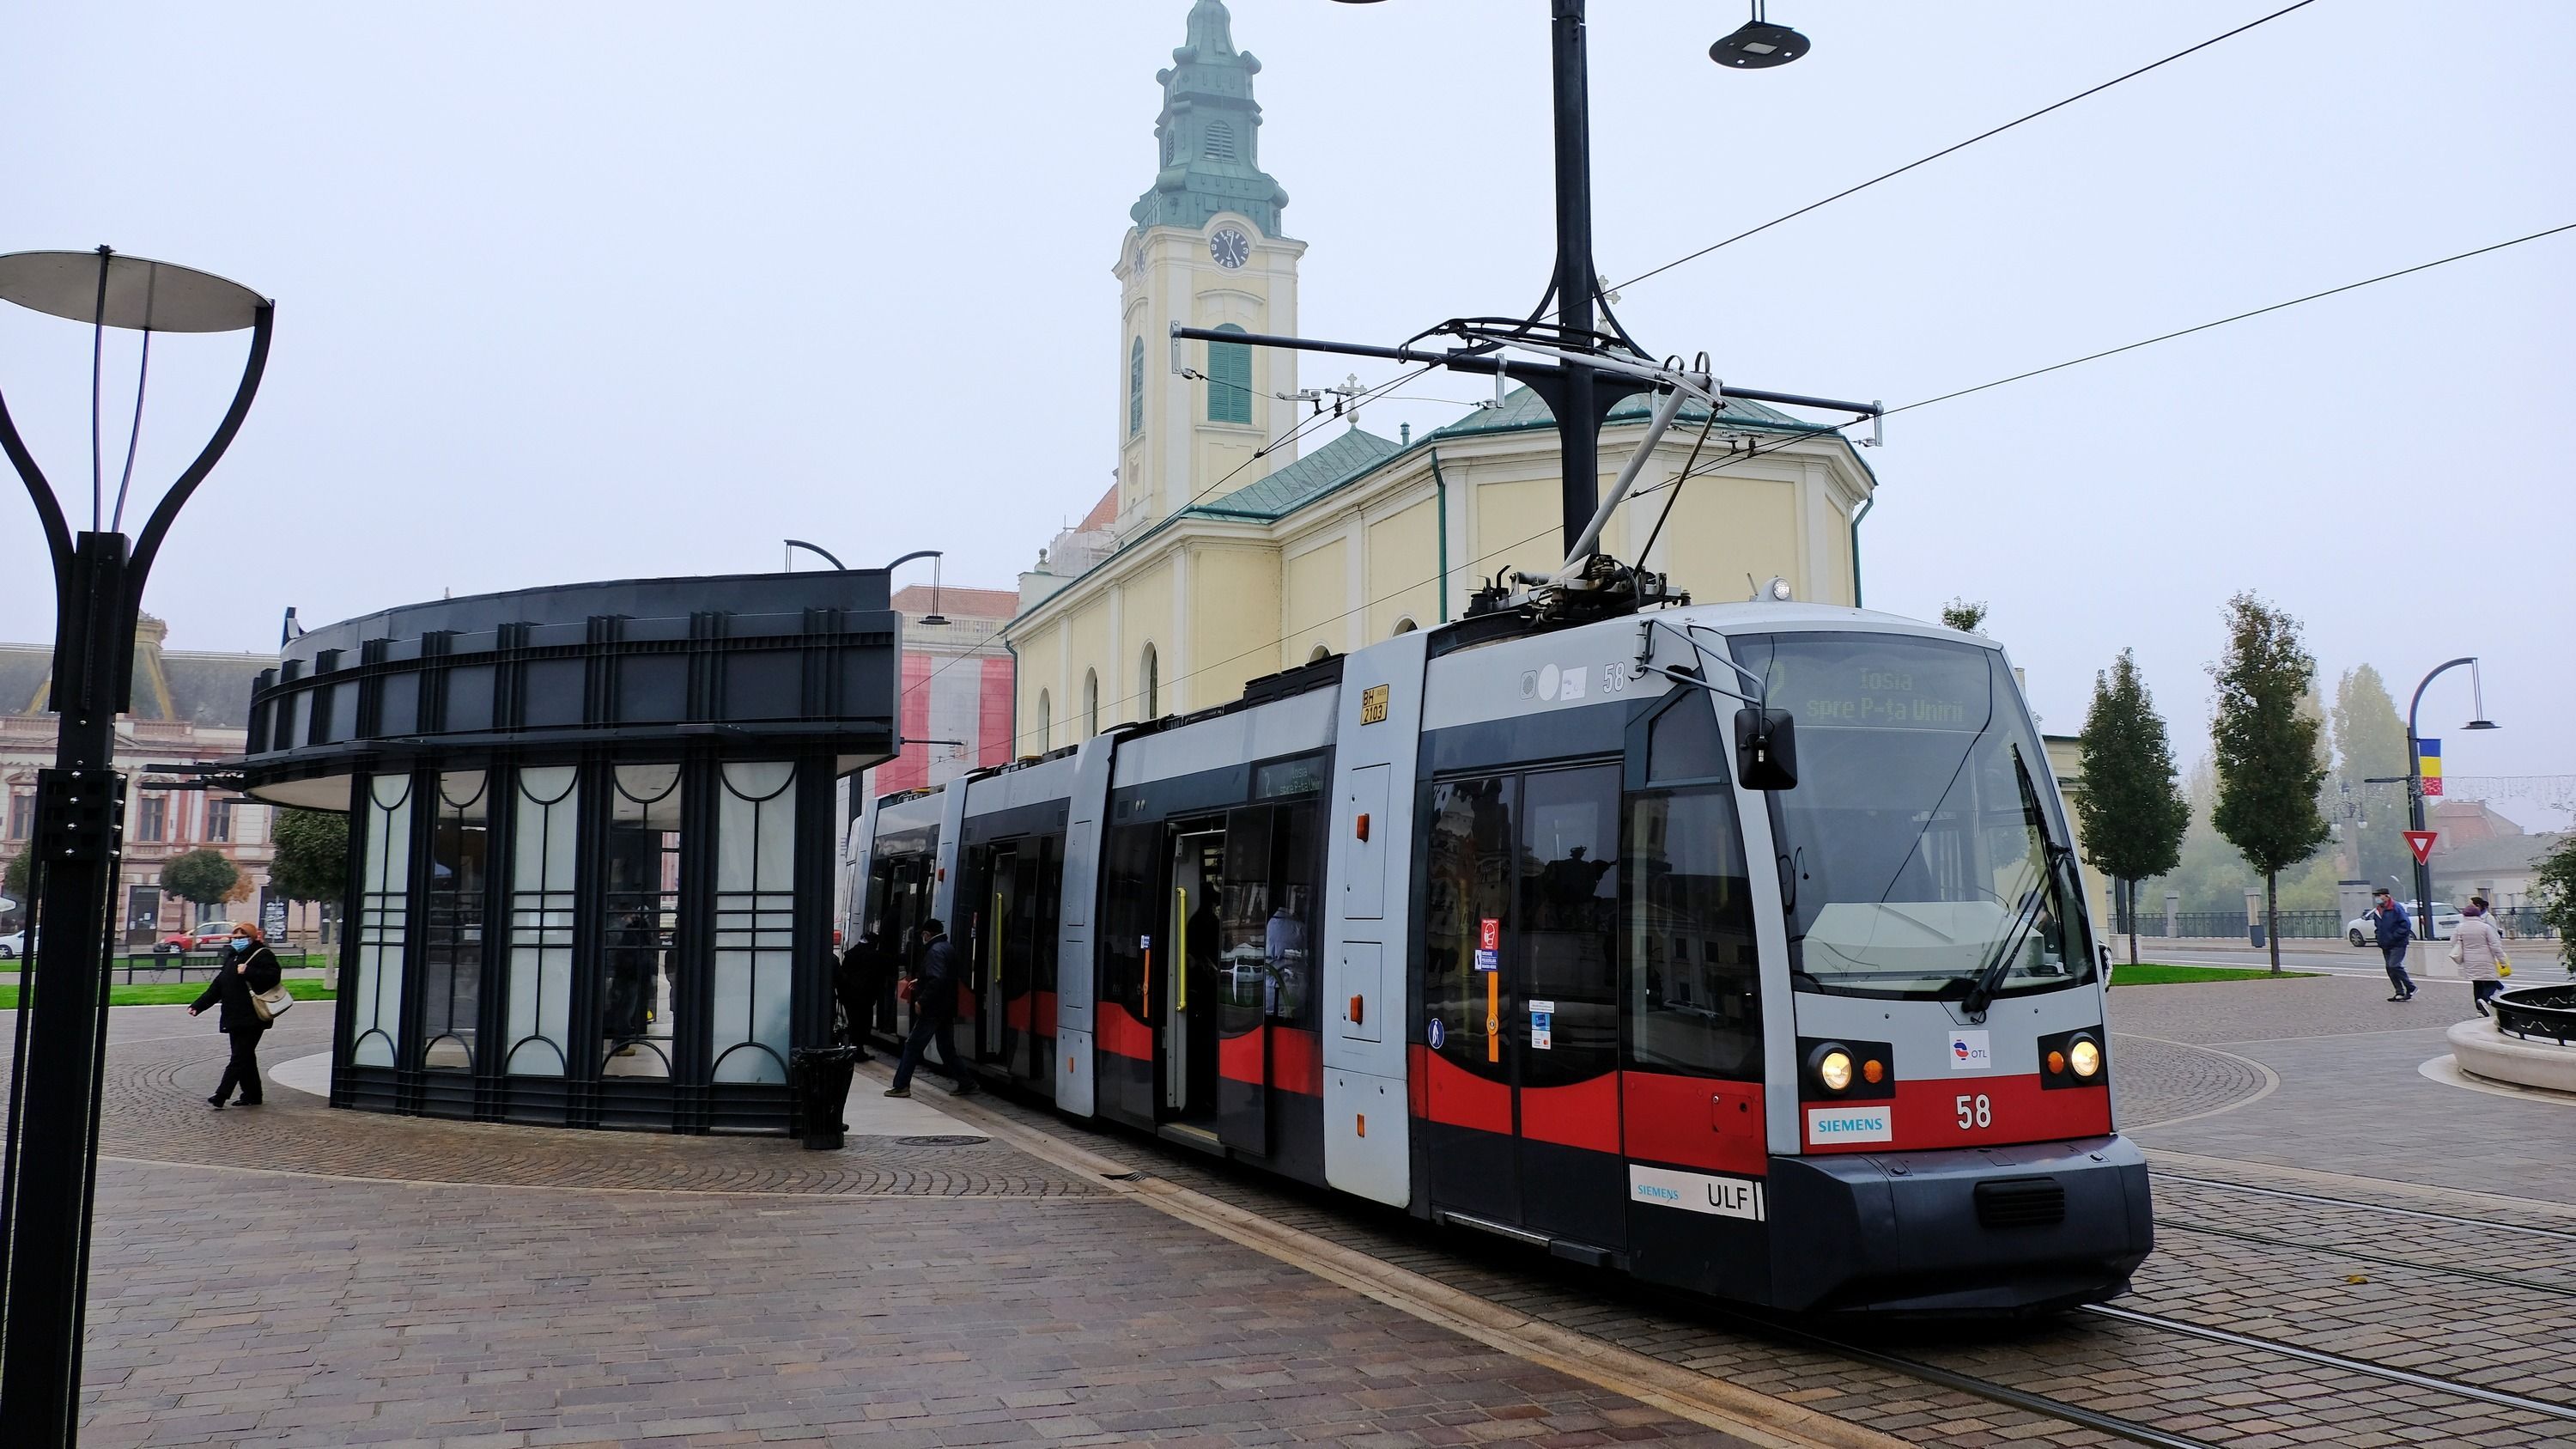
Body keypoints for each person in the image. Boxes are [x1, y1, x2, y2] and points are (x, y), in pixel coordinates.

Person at [187, 922, 284, 1108]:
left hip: (253, 1016)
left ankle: (221, 1094)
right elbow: (218, 986)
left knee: (239, 1057)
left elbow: (273, 977)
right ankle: (252, 1095)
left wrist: (249, 971)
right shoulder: (232, 957)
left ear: (252, 938)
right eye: (235, 937)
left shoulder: (262, 954)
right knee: (245, 1057)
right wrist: (198, 1006)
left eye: (242, 937)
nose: (238, 940)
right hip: (234, 1015)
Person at [886, 919, 975, 1098]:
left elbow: (937, 979)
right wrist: (922, 980)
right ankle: (966, 1082)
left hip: (933, 1009)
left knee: (912, 1045)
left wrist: (922, 1000)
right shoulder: (948, 948)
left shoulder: (934, 951)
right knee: (946, 1048)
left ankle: (901, 1086)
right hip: (946, 1008)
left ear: (927, 934)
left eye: (923, 935)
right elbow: (944, 976)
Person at [2449, 896, 2511, 1015]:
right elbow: (2495, 945)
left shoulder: (2460, 927)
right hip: (2486, 959)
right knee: (2491, 983)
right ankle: (2484, 1000)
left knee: (2477, 984)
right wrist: (2503, 961)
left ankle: (2479, 1010)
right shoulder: (2484, 927)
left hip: (2469, 960)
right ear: (2477, 914)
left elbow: (2452, 942)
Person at [835, 930, 886, 1061]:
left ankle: (853, 1049)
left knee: (853, 1022)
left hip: (849, 996)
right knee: (863, 1023)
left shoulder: (850, 954)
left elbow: (842, 977)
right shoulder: (874, 956)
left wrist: (842, 995)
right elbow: (878, 978)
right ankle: (859, 1050)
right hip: (865, 997)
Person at [2371, 887, 2416, 1002]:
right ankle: (2399, 992)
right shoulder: (2377, 911)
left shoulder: (2396, 908)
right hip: (2385, 943)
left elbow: (2405, 925)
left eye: (2379, 895)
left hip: (2398, 943)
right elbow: (2378, 927)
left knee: (2394, 965)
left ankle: (2411, 987)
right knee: (2390, 968)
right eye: (2376, 896)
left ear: (2387, 896)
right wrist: (2379, 938)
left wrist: (2394, 936)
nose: (2377, 898)